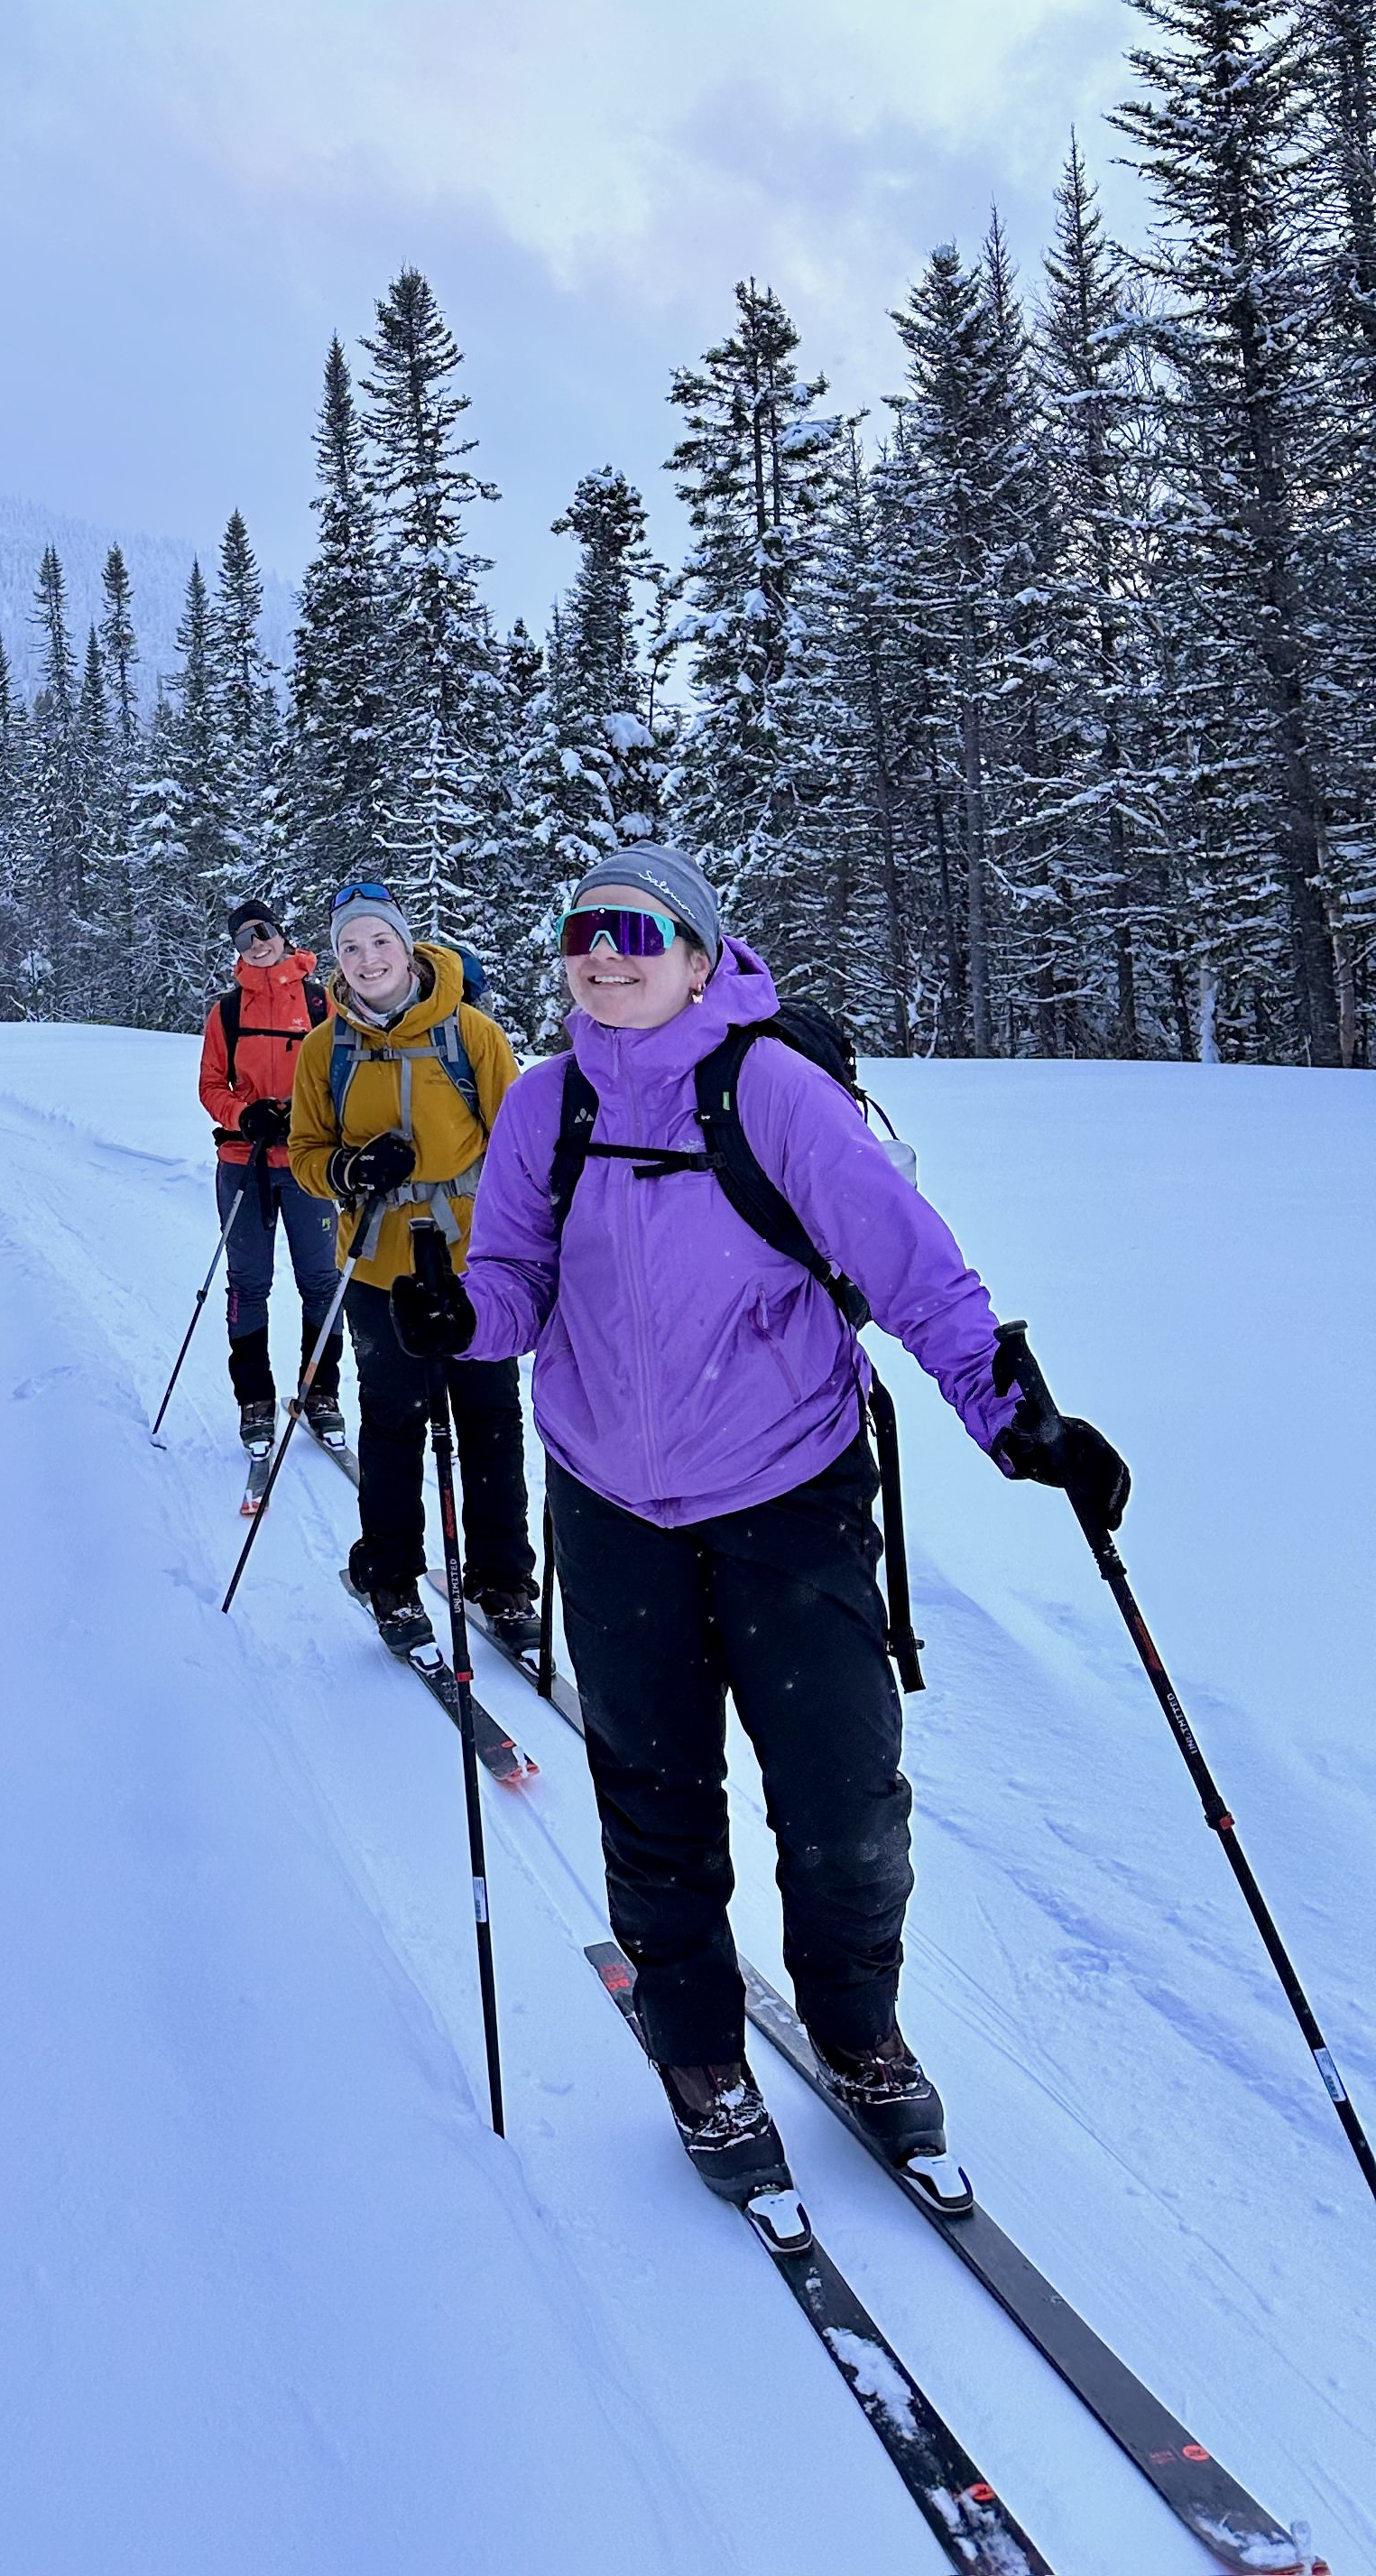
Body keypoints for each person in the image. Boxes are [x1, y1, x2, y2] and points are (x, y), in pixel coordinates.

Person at [398, 841, 1131, 2201]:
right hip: (612, 1503)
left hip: (791, 1493)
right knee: (653, 1793)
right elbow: (511, 1280)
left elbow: (914, 1265)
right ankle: (698, 2052)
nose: (602, 955)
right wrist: (463, 1320)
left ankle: (855, 2032)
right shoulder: (548, 1106)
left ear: (698, 953)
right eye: (580, 935)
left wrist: (1013, 1414)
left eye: (634, 931)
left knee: (843, 1798)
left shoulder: (771, 1090)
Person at [289, 877, 540, 1658]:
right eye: (351, 947)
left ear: (408, 946)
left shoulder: (471, 1035)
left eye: (380, 942)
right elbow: (305, 1155)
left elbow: (519, 1145)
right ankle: (392, 1576)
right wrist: (350, 1172)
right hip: (375, 1265)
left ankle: (502, 1580)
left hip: (475, 1264)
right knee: (394, 1422)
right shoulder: (324, 1048)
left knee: (490, 1420)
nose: (367, 960)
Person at [196, 901, 344, 1461]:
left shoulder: (322, 1002)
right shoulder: (227, 1012)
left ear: (282, 933)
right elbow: (211, 1086)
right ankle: (254, 1399)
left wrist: (311, 1116)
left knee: (323, 1282)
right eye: (242, 938)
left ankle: (320, 1391)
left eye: (262, 931)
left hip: (309, 1163)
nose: (255, 944)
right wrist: (244, 1114)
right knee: (248, 1283)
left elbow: (344, 1073)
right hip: (244, 1163)